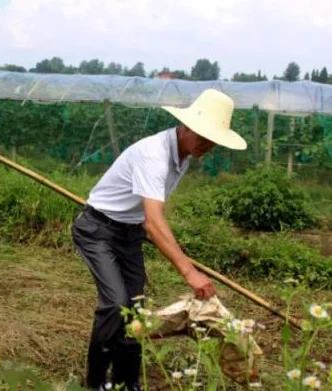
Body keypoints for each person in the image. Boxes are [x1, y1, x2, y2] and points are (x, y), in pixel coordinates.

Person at [71, 89, 247, 391]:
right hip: (98, 229)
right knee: (115, 304)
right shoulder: (154, 154)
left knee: (136, 308)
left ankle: (128, 381)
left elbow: (146, 216)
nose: (207, 146)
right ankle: (95, 382)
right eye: (203, 137)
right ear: (187, 127)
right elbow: (154, 221)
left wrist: (141, 227)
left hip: (128, 233)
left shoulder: (183, 157)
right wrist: (190, 272)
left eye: (213, 141)